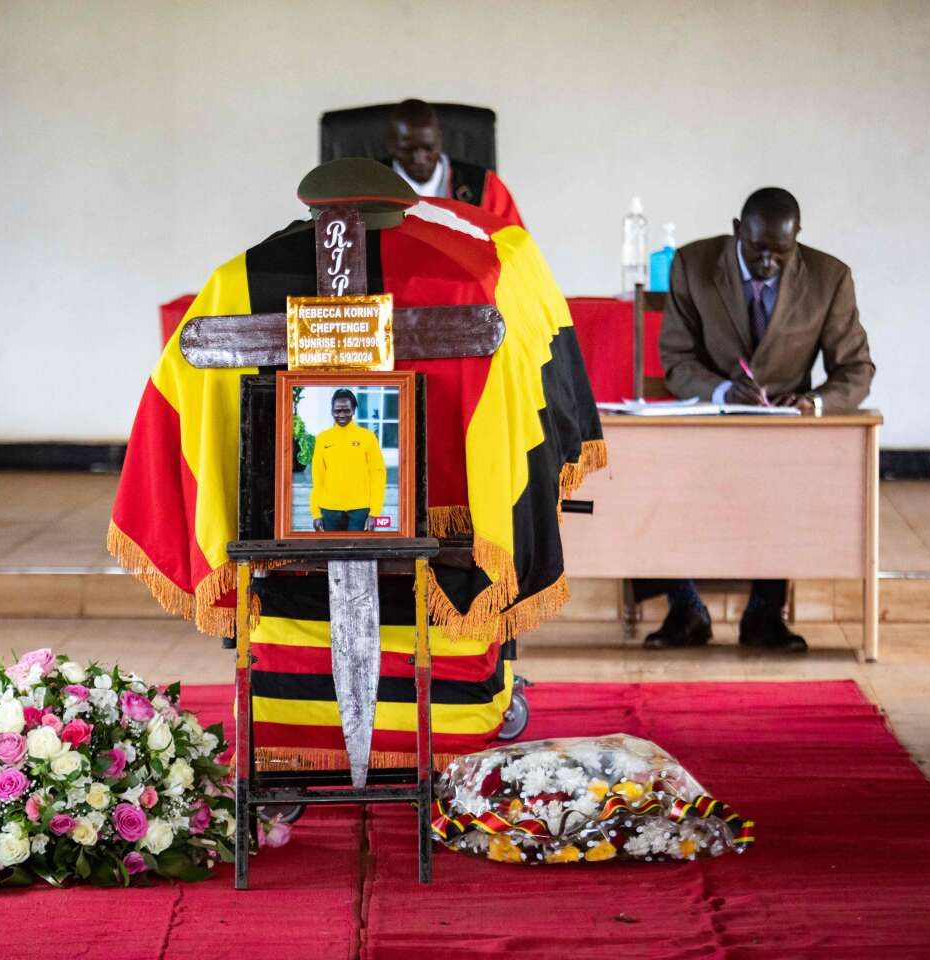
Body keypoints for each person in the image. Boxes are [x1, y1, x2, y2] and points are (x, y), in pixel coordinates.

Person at [109, 158, 604, 764]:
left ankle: (298, 729)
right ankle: (434, 727)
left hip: (289, 535)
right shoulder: (470, 277)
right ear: (399, 207)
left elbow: (183, 401)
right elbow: (518, 402)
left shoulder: (236, 279)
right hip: (420, 537)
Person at [641, 187, 875, 653]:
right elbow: (676, 359)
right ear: (736, 232)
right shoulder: (694, 264)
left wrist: (814, 403)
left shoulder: (829, 278)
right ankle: (685, 608)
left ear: (798, 238)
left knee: (785, 485)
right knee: (653, 476)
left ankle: (765, 614)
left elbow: (856, 369)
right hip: (708, 418)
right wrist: (723, 390)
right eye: (758, 250)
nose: (769, 262)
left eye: (782, 252)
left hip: (783, 429)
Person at [384, 99, 524, 228]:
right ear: (391, 145)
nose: (420, 158)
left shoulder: (486, 187)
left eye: (429, 148)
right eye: (408, 149)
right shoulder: (368, 187)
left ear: (440, 140)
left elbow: (516, 247)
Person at [309, 389, 387, 532]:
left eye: (346, 410)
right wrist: (316, 513)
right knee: (331, 553)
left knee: (358, 554)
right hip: (329, 510)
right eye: (337, 411)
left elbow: (378, 475)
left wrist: (374, 512)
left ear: (354, 410)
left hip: (360, 510)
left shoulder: (367, 437)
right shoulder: (322, 439)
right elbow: (317, 477)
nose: (342, 415)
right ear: (331, 411)